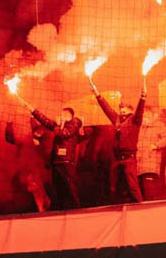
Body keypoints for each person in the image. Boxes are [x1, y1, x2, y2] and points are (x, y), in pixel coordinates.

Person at [88, 70, 146, 204]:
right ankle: (116, 209)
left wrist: (143, 98)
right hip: (116, 159)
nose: (121, 110)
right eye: (120, 108)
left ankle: (140, 206)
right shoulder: (117, 120)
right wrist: (97, 94)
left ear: (130, 110)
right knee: (113, 187)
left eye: (124, 108)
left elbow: (140, 110)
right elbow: (106, 108)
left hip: (129, 159)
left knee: (133, 187)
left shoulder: (135, 120)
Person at [30, 106, 83, 209]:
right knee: (58, 187)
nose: (60, 116)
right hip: (56, 161)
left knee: (69, 186)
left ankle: (76, 208)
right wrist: (33, 111)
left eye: (63, 114)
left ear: (69, 115)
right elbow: (45, 121)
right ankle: (59, 208)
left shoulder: (73, 124)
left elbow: (63, 134)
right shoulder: (59, 126)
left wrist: (59, 126)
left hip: (66, 161)